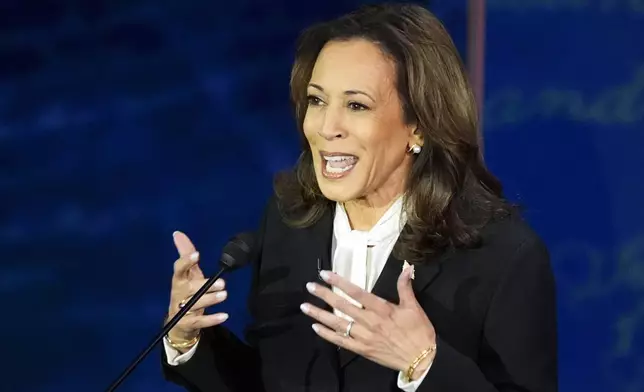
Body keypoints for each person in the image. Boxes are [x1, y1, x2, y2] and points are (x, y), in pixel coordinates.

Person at [161, 3, 557, 392]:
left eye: (356, 105)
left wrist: (424, 363)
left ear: (419, 126)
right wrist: (187, 338)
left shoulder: (503, 256)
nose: (326, 127)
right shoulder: (289, 223)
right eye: (317, 101)